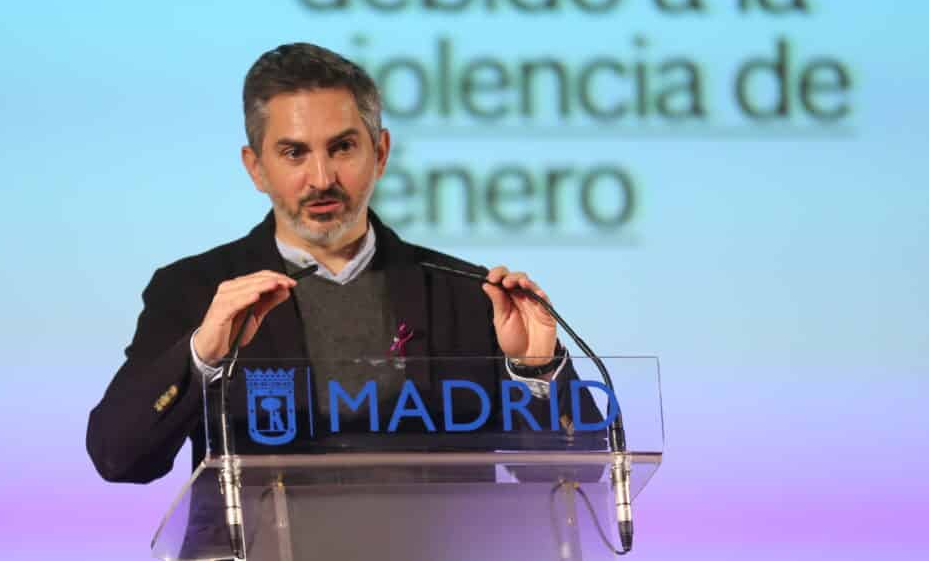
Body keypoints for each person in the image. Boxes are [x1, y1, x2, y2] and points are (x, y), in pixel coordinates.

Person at [86, 43, 591, 484]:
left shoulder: (468, 294)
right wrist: (201, 356)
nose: (322, 177)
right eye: (294, 153)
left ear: (381, 151)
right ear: (255, 168)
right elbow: (119, 458)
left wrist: (536, 371)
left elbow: (581, 473)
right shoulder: (194, 291)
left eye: (343, 147)